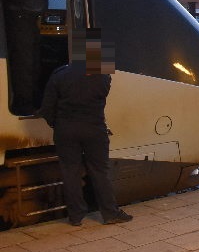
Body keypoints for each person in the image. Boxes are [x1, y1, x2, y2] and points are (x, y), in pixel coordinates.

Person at [38, 32, 133, 226]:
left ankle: (76, 216)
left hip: (66, 130)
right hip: (94, 129)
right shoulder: (103, 78)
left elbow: (46, 109)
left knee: (70, 172)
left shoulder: (59, 75)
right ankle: (109, 213)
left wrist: (57, 124)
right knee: (100, 171)